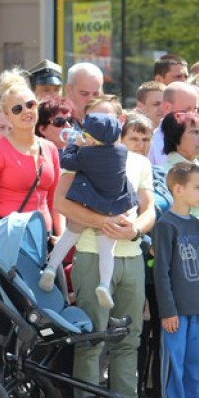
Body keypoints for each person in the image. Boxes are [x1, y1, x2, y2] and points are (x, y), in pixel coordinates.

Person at [54, 96, 159, 398]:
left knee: (130, 338)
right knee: (91, 336)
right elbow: (60, 203)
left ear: (119, 122)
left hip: (131, 258)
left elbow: (149, 209)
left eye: (107, 120)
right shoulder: (79, 158)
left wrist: (136, 229)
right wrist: (104, 222)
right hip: (90, 255)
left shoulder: (139, 162)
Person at [41, 113, 137, 309]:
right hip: (111, 210)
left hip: (89, 205)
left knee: (69, 237)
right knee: (107, 251)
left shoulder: (87, 154)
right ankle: (104, 284)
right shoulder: (122, 152)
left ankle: (50, 269)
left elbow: (67, 161)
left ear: (92, 139)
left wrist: (74, 145)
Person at [152, 162, 199, 398]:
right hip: (176, 312)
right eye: (197, 187)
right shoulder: (166, 225)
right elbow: (161, 271)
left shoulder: (198, 225)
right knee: (175, 363)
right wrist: (168, 310)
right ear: (178, 189)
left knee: (198, 362)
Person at [0, 85, 62, 231]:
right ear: (7, 115)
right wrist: (4, 236)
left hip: (46, 238)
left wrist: (60, 235)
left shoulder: (50, 148)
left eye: (30, 105)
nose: (26, 111)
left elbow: (55, 201)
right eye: (17, 109)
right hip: (13, 236)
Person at [159, 112, 199, 301]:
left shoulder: (197, 166)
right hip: (187, 276)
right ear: (175, 137)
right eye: (194, 132)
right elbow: (184, 226)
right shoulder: (168, 173)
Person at [148, 82, 199, 168]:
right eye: (187, 110)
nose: (193, 115)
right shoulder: (150, 142)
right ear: (167, 107)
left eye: (195, 109)